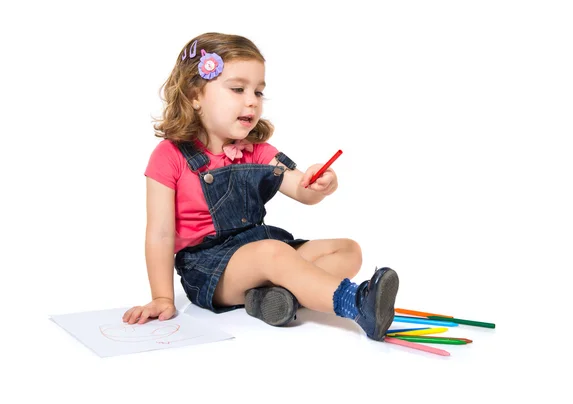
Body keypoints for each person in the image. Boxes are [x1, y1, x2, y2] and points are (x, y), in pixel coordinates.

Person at [122, 32, 399, 341]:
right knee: (274, 253)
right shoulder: (169, 157)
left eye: (259, 91)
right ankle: (355, 304)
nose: (252, 100)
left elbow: (300, 189)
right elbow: (159, 234)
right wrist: (162, 297)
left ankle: (272, 299)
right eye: (238, 89)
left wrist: (320, 185)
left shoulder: (258, 150)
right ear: (194, 95)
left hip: (265, 252)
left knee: (348, 250)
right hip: (211, 269)